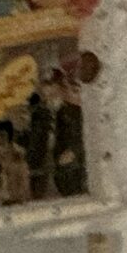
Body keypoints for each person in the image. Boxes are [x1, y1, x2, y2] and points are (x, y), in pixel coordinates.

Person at [44, 66, 89, 196]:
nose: (48, 99)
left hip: (74, 169)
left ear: (61, 89)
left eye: (52, 94)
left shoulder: (71, 111)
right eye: (46, 96)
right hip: (63, 169)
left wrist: (73, 151)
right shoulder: (56, 113)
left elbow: (81, 135)